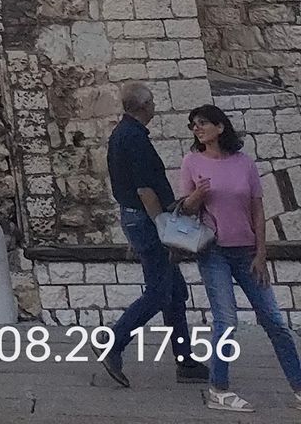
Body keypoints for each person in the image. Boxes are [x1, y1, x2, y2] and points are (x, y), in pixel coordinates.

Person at [178, 104, 301, 413]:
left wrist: (262, 252)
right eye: (193, 125)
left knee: (274, 321)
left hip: (247, 250)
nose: (198, 128)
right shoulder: (191, 162)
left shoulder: (244, 163)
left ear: (220, 127)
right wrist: (197, 197)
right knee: (227, 321)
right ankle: (219, 389)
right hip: (214, 251)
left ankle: (299, 387)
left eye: (203, 123)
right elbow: (185, 210)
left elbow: (257, 209)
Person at [100, 81, 204, 388]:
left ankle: (185, 361)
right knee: (160, 292)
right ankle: (114, 342)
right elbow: (145, 190)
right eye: (153, 102)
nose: (156, 105)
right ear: (144, 106)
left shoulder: (123, 135)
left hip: (138, 219)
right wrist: (166, 230)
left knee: (175, 293)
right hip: (148, 221)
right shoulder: (133, 138)